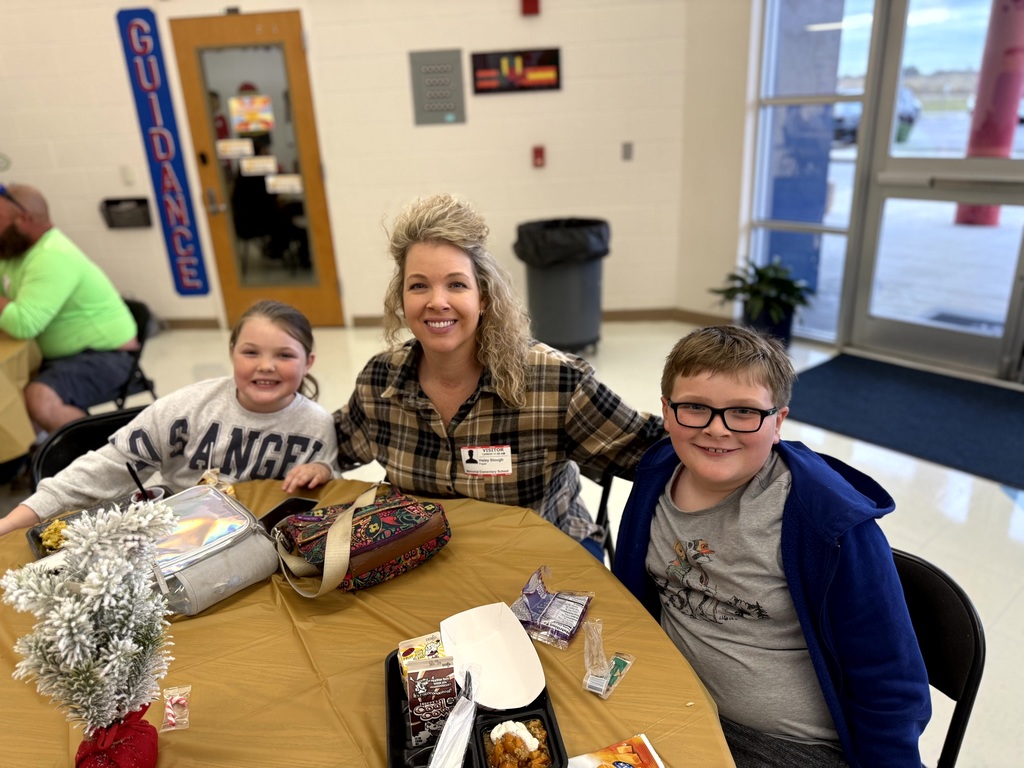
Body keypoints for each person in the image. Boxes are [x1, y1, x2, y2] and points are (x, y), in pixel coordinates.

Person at [612, 325, 931, 767]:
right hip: (675, 704)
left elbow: (889, 681)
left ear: (778, 421)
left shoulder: (828, 524)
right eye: (695, 408)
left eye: (743, 412)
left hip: (787, 746)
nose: (717, 430)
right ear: (667, 412)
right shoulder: (658, 472)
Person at [332, 193, 663, 556]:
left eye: (456, 284)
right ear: (402, 297)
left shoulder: (555, 382)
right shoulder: (381, 381)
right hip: (429, 561)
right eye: (419, 285)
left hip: (541, 554)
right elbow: (332, 443)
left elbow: (654, 450)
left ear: (483, 297)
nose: (437, 301)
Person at [0, 300, 338, 537]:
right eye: (251, 352)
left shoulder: (316, 424)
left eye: (284, 355)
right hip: (178, 537)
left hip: (269, 547)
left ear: (308, 362)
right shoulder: (187, 408)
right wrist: (13, 522)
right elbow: (101, 471)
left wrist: (323, 471)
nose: (266, 365)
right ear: (232, 353)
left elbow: (331, 499)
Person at [0, 182, 139, 434]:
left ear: (23, 219)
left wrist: (10, 308)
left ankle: (99, 466)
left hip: (107, 356)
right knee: (7, 393)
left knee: (39, 397)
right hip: (64, 356)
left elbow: (24, 323)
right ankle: (28, 462)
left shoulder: (52, 256)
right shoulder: (14, 253)